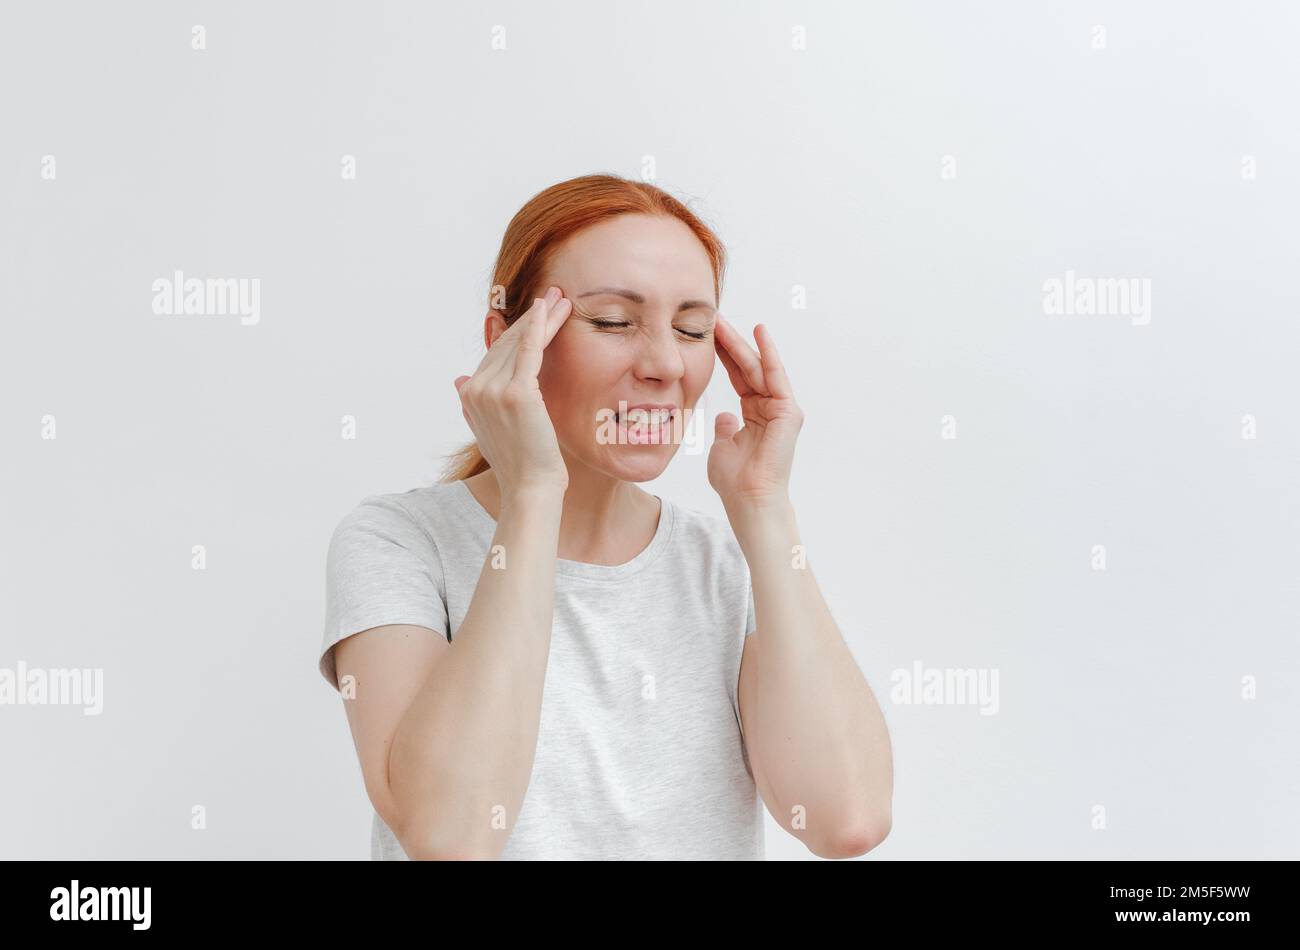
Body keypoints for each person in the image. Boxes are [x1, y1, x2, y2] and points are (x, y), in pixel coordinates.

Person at [317, 173, 894, 860]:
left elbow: (846, 820)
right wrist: (533, 493)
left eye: (691, 329)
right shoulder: (399, 544)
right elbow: (452, 836)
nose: (663, 363)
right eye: (614, 322)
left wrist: (764, 508)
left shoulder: (721, 563)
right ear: (506, 340)